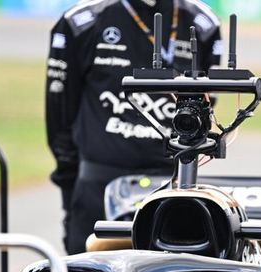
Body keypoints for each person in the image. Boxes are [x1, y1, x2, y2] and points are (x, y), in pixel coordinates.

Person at [46, 0, 223, 254]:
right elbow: (59, 118)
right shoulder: (81, 22)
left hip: (174, 187)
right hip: (98, 188)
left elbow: (202, 113)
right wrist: (70, 191)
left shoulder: (202, 23)